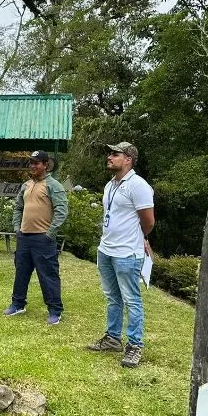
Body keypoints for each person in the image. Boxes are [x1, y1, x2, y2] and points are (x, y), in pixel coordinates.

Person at [87, 142, 155, 368]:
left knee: (131, 300)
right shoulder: (111, 185)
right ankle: (113, 338)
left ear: (128, 159)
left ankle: (135, 345)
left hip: (127, 253)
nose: (110, 156)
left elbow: (148, 221)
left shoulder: (138, 186)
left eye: (115, 154)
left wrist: (141, 238)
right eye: (110, 153)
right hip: (106, 249)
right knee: (112, 297)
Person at [3, 150, 68, 325]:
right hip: (24, 237)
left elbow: (62, 210)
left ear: (46, 165)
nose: (33, 166)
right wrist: (17, 228)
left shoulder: (54, 185)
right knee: (21, 272)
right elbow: (18, 208)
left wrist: (50, 233)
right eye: (31, 163)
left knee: (48, 275)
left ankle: (55, 311)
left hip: (43, 239)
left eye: (37, 163)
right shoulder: (26, 185)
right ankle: (18, 304)